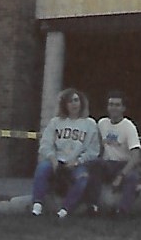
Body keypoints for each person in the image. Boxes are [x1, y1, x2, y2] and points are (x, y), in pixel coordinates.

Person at [31, 88, 100, 220]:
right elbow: (45, 144)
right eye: (70, 101)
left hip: (77, 162)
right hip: (57, 160)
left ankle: (65, 209)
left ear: (81, 103)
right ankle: (37, 205)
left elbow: (93, 150)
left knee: (82, 178)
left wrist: (77, 162)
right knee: (42, 169)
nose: (74, 104)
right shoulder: (56, 122)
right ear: (64, 105)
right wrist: (53, 159)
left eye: (76, 100)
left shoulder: (90, 124)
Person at [88, 90, 141, 217]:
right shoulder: (102, 123)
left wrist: (121, 176)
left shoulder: (129, 127)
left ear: (123, 108)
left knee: (132, 177)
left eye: (117, 105)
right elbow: (97, 146)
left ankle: (122, 211)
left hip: (124, 165)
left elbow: (136, 157)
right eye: (111, 104)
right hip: (107, 164)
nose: (113, 108)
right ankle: (93, 206)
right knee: (94, 165)